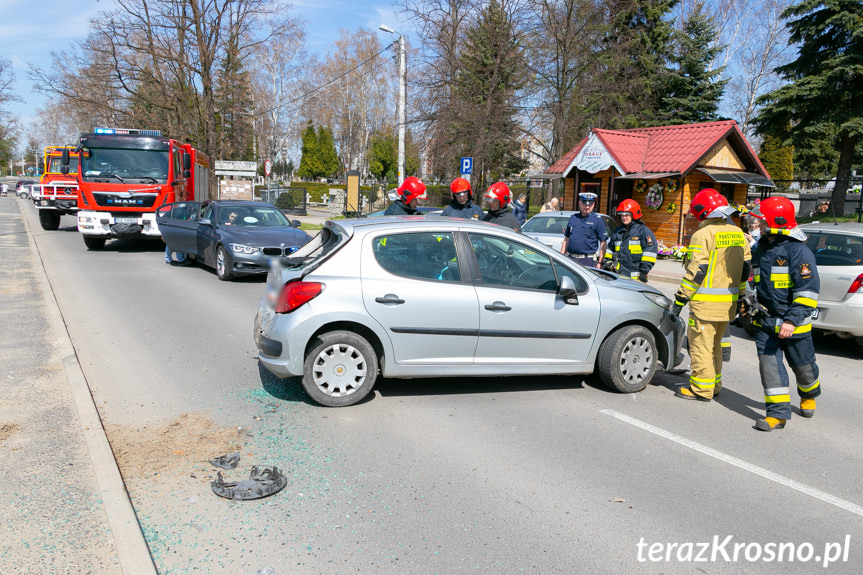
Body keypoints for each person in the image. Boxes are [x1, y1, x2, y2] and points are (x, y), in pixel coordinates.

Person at [748, 197, 821, 431]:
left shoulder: (798, 252)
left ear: (777, 222)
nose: (759, 226)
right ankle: (778, 414)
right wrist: (749, 298)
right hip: (766, 321)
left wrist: (791, 319)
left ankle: (809, 394)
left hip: (794, 324)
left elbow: (807, 292)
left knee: (804, 367)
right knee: (769, 367)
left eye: (763, 222)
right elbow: (756, 279)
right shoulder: (762, 248)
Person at [671, 188, 751, 402]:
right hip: (728, 304)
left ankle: (700, 389)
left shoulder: (702, 235)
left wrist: (680, 299)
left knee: (700, 347)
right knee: (715, 347)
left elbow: (697, 271)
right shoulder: (738, 234)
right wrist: (741, 295)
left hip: (705, 305)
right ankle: (714, 385)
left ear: (702, 211)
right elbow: (745, 268)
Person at [605, 199, 657, 282]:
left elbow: (650, 252)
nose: (624, 217)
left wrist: (644, 271)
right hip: (619, 274)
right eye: (622, 215)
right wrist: (606, 261)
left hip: (636, 276)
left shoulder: (643, 231)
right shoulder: (617, 231)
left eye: (627, 215)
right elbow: (610, 248)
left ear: (634, 215)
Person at [560, 191, 607, 269]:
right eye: (584, 204)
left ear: (593, 204)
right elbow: (566, 239)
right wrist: (561, 256)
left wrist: (600, 262)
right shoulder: (573, 218)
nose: (587, 207)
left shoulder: (597, 220)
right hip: (571, 259)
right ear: (579, 203)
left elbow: (603, 242)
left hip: (588, 261)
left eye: (590, 204)